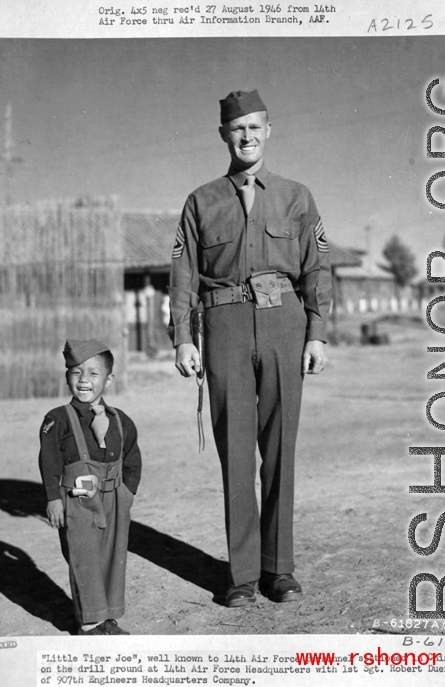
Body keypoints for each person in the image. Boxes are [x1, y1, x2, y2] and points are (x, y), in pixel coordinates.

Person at [168, 90, 332, 608]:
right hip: (225, 324)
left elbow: (316, 269)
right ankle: (241, 575)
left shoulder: (296, 197)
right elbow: (182, 275)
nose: (247, 136)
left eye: (255, 127)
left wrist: (317, 331)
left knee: (280, 450)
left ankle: (277, 570)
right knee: (236, 453)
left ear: (269, 130)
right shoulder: (201, 200)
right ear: (223, 134)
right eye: (237, 128)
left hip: (284, 320)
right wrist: (182, 337)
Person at [39, 339, 142, 634]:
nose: (84, 380)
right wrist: (53, 500)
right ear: (67, 376)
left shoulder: (121, 420)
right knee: (83, 557)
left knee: (112, 556)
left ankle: (108, 616)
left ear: (108, 380)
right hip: (77, 500)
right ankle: (90, 622)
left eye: (93, 374)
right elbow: (49, 463)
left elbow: (133, 458)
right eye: (75, 372)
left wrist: (127, 492)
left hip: (114, 498)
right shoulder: (57, 420)